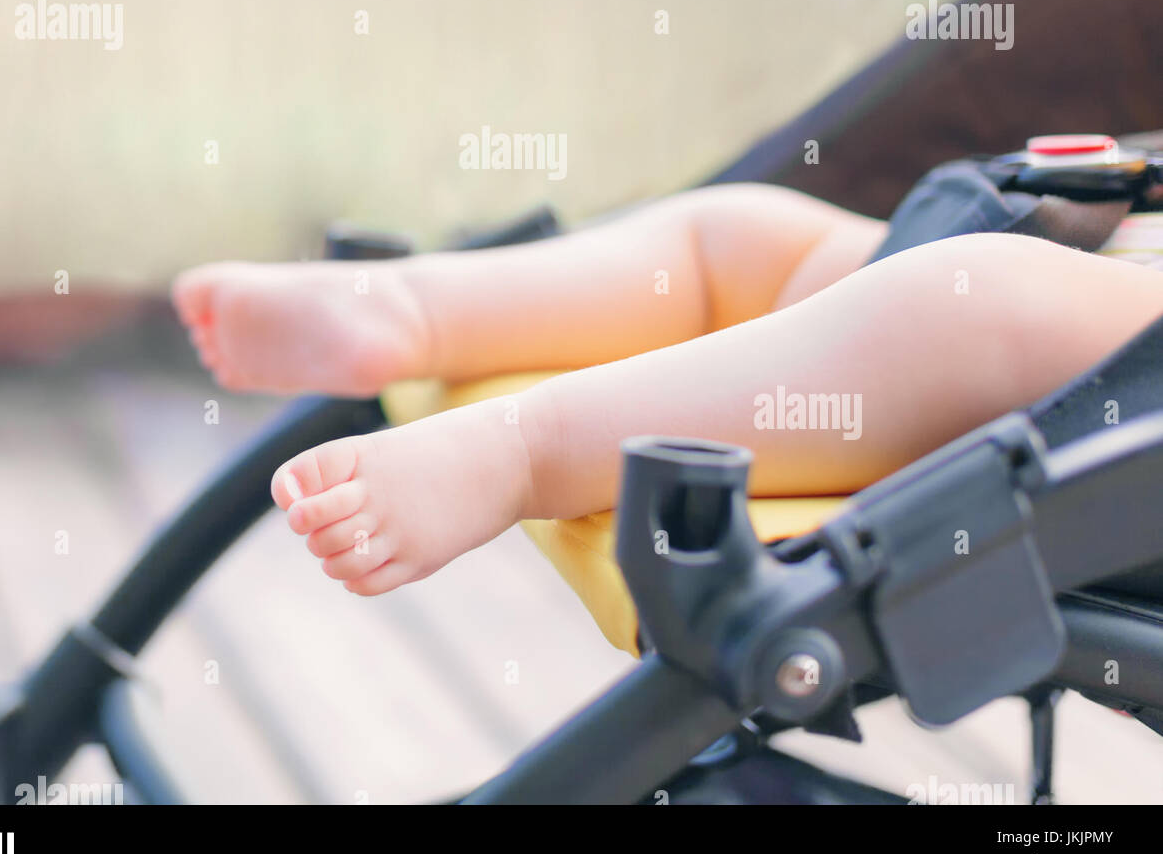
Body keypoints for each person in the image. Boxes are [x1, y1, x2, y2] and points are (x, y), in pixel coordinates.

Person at [172, 185, 1163, 597]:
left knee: (970, 301)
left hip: (1100, 392)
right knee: (736, 237)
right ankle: (410, 309)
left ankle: (522, 452)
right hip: (1078, 270)